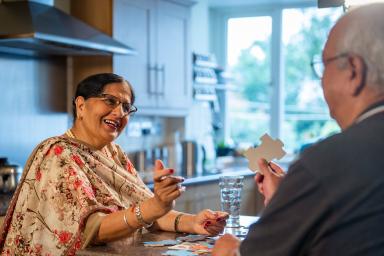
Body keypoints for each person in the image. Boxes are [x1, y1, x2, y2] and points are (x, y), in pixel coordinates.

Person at [213, 3, 384, 256]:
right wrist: (290, 199)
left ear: (354, 71)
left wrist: (229, 249)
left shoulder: (328, 162)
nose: (321, 80)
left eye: (323, 65)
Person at [0, 73, 228, 255]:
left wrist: (193, 222)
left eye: (126, 107)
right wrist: (154, 206)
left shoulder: (113, 152)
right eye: (110, 101)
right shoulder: (58, 153)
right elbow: (90, 230)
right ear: (81, 106)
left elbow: (146, 210)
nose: (119, 112)